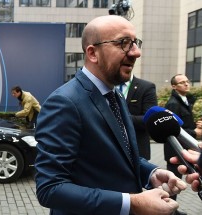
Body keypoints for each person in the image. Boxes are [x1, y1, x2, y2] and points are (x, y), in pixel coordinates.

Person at [34, 15, 187, 215]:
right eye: (124, 43)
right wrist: (132, 203)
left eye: (135, 43)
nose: (136, 52)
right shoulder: (64, 102)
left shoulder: (114, 95)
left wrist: (151, 173)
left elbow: (119, 157)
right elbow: (50, 189)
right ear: (92, 53)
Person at [163, 74, 202, 213]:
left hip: (185, 150)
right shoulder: (173, 103)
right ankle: (169, 210)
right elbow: (173, 129)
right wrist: (194, 132)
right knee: (173, 182)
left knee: (179, 182)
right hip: (176, 151)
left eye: (187, 81)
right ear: (174, 86)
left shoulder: (185, 99)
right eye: (182, 82)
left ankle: (172, 209)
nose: (186, 84)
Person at [118, 74, 157, 160]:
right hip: (111, 149)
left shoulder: (146, 87)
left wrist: (118, 118)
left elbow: (150, 118)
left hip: (137, 149)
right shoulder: (106, 85)